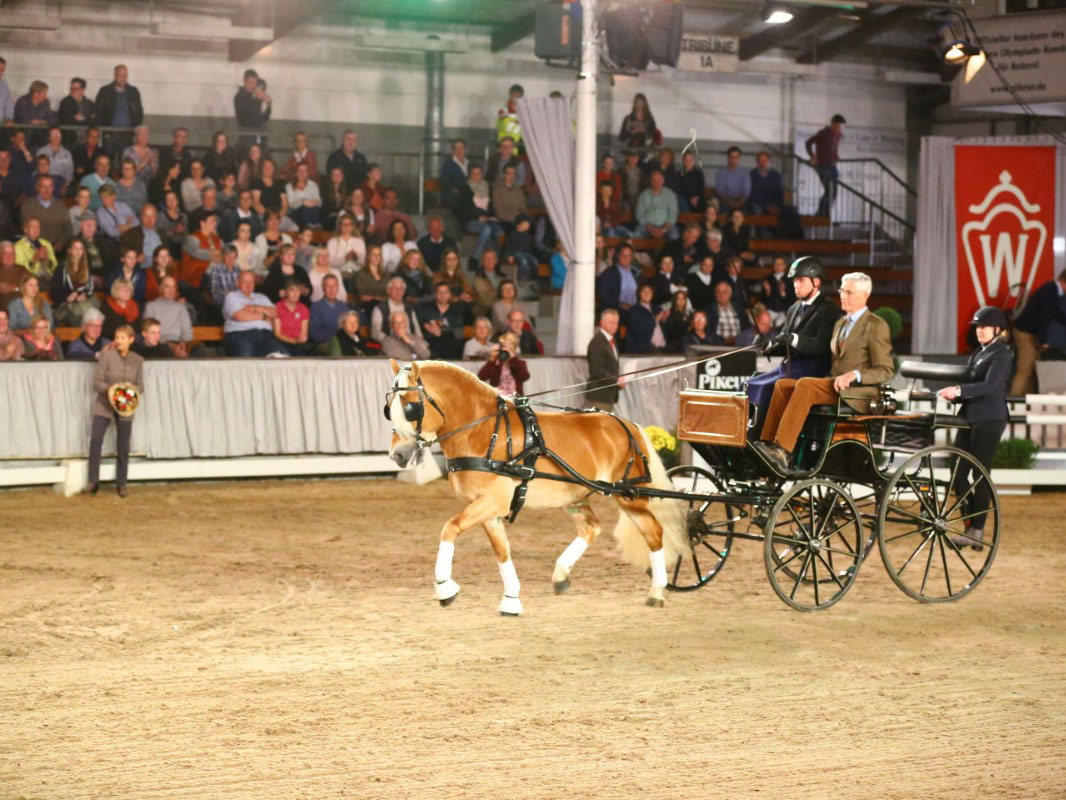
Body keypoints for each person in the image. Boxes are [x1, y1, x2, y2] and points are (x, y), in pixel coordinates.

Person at [755, 272, 894, 472]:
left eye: (849, 292)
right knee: (783, 385)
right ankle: (767, 444)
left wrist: (855, 375)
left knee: (805, 385)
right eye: (841, 291)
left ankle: (783, 449)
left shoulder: (875, 326)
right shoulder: (841, 323)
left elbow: (886, 370)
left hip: (857, 392)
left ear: (864, 295)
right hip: (834, 385)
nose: (843, 296)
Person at [938, 306, 1013, 552]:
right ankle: (970, 523)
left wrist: (959, 391)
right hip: (970, 417)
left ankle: (977, 529)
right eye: (977, 327)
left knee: (980, 473)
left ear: (997, 329)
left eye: (983, 326)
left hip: (990, 418)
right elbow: (971, 382)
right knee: (958, 473)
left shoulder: (1001, 354)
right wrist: (953, 395)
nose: (979, 330)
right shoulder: (978, 354)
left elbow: (990, 385)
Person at [747, 256, 844, 420]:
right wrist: (768, 344)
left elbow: (821, 346)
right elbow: (783, 340)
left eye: (801, 280)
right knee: (749, 384)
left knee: (763, 387)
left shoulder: (828, 310)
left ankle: (760, 435)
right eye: (794, 281)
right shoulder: (793, 309)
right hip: (788, 368)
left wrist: (794, 339)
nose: (796, 285)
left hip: (812, 371)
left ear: (816, 281)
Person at [85, 324, 142, 497]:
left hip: (126, 407)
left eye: (122, 338)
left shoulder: (138, 360)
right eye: (117, 338)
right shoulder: (106, 357)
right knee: (96, 440)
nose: (118, 341)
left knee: (123, 445)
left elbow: (140, 385)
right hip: (105, 403)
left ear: (131, 340)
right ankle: (93, 481)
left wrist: (130, 391)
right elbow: (97, 382)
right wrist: (113, 391)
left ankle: (121, 483)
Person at [1009, 269, 1066, 396]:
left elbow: (1055, 313)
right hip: (1025, 333)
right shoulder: (1051, 292)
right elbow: (1044, 319)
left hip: (1029, 333)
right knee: (1024, 369)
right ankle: (1013, 402)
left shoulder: (1052, 290)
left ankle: (1026, 402)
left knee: (1032, 369)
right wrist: (1043, 341)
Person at [222, 270, 284, 357]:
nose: (249, 285)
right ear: (237, 282)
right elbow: (240, 316)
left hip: (265, 336)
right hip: (241, 336)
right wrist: (263, 316)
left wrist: (253, 308)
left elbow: (274, 313)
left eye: (251, 282)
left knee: (282, 356)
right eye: (245, 282)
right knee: (247, 361)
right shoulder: (231, 296)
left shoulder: (262, 297)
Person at [457, 164, 503, 264]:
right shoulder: (465, 189)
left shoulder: (487, 188)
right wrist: (478, 217)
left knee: (499, 231)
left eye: (479, 174)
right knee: (486, 229)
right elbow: (463, 209)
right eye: (474, 174)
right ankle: (475, 258)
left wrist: (493, 217)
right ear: (470, 175)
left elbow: (491, 207)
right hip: (471, 220)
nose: (476, 176)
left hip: (487, 219)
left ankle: (496, 261)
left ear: (482, 175)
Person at [94, 65, 144, 156]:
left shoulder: (133, 92)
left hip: (127, 134)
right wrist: (104, 130)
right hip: (109, 133)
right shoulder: (105, 91)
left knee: (126, 162)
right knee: (107, 160)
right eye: (120, 75)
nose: (123, 78)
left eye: (125, 75)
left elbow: (139, 112)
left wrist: (135, 130)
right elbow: (98, 112)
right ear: (115, 75)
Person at [806, 114, 846, 218]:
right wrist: (812, 156)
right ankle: (821, 213)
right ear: (833, 124)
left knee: (834, 192)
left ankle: (825, 213)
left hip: (832, 165)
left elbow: (834, 146)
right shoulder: (823, 133)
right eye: (838, 127)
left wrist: (836, 155)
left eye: (841, 127)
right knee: (829, 190)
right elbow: (808, 142)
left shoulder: (839, 134)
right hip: (823, 165)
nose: (840, 129)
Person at [144, 274, 194, 356]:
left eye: (173, 287)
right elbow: (150, 333)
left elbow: (187, 331)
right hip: (160, 343)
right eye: (167, 287)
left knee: (199, 350)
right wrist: (171, 346)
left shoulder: (180, 307)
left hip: (179, 343)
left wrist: (183, 344)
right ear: (160, 289)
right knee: (165, 350)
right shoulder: (151, 306)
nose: (171, 290)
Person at [586, 308, 624, 412]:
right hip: (598, 397)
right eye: (611, 322)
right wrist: (615, 380)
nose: (614, 326)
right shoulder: (597, 342)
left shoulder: (611, 341)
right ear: (602, 322)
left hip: (608, 396)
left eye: (616, 323)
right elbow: (596, 370)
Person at [51, 239, 95, 326]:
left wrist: (85, 295)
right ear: (69, 250)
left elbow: (90, 289)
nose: (78, 251)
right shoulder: (62, 268)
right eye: (75, 248)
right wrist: (67, 297)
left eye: (81, 249)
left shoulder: (86, 267)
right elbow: (54, 292)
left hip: (83, 304)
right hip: (66, 306)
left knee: (94, 319)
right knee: (82, 323)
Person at [416, 282, 466, 359]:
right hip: (430, 343)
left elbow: (459, 333)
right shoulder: (425, 308)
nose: (443, 295)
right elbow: (417, 324)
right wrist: (426, 325)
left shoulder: (456, 309)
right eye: (440, 292)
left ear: (450, 294)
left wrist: (441, 331)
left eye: (446, 292)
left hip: (450, 345)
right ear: (435, 294)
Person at [22, 175, 69, 251]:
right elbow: (24, 229)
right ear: (37, 187)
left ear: (53, 188)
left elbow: (68, 229)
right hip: (33, 248)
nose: (47, 190)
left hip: (56, 249)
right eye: (43, 186)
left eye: (50, 186)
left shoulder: (61, 207)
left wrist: (61, 242)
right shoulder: (27, 206)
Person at [371, 275, 422, 344]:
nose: (398, 291)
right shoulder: (380, 308)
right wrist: (388, 341)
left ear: (404, 291)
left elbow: (417, 330)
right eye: (395, 288)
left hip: (411, 342)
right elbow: (375, 332)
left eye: (401, 288)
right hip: (391, 343)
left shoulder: (409, 308)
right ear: (388, 290)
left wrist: (419, 342)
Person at [180, 211, 223, 289]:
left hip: (213, 273)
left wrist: (220, 255)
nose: (215, 223)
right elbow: (200, 254)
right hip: (196, 277)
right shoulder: (192, 239)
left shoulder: (216, 238)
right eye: (212, 221)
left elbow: (224, 253)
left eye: (215, 221)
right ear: (202, 224)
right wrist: (217, 254)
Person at [478, 331, 529, 397]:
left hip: (515, 400)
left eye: (510, 349)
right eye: (504, 348)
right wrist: (491, 360)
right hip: (498, 400)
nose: (507, 352)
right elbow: (481, 377)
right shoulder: (496, 364)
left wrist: (513, 359)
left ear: (515, 349)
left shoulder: (519, 363)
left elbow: (525, 376)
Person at [596, 243, 640, 315]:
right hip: (616, 311)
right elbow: (603, 296)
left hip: (635, 310)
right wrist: (620, 304)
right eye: (623, 255)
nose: (626, 258)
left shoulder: (636, 273)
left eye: (628, 255)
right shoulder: (609, 274)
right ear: (618, 255)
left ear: (631, 257)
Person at [635, 169, 679, 240]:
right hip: (647, 226)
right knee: (636, 235)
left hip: (666, 226)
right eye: (653, 180)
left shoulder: (670, 194)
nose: (656, 182)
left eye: (658, 180)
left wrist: (663, 230)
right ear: (650, 181)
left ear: (663, 180)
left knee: (674, 236)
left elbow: (673, 214)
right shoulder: (643, 195)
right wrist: (651, 229)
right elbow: (639, 214)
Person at [626, 283, 668, 354]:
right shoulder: (634, 310)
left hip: (663, 347)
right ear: (639, 294)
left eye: (649, 292)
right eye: (644, 291)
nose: (647, 294)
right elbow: (638, 329)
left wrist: (665, 319)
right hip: (646, 349)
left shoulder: (657, 309)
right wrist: (656, 319)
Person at [309, 274, 349, 350]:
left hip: (344, 343)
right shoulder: (316, 307)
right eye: (328, 286)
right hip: (325, 344)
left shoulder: (343, 306)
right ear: (323, 288)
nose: (331, 289)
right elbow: (314, 333)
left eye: (334, 286)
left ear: (338, 288)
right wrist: (335, 338)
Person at [704, 281, 749, 346]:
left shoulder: (739, 309)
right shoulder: (709, 310)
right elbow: (707, 332)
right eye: (718, 292)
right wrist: (723, 340)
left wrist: (739, 339)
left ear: (730, 293)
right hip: (718, 346)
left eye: (725, 292)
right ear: (715, 294)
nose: (721, 295)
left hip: (738, 345)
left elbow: (747, 328)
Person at [14, 80, 56, 147]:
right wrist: (32, 122)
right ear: (36, 93)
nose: (46, 96)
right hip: (25, 136)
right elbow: (22, 119)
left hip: (40, 137)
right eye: (44, 93)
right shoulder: (22, 101)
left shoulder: (46, 102)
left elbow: (52, 119)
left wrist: (42, 122)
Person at [273, 279, 310, 355]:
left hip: (298, 344)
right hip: (281, 343)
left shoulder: (304, 309)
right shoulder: (277, 307)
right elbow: (277, 334)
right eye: (292, 290)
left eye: (298, 290)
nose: (295, 294)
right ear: (286, 292)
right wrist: (294, 341)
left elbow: (304, 333)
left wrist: (301, 339)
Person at [234, 69, 271, 143]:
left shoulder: (256, 96)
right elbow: (247, 120)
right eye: (250, 83)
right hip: (245, 137)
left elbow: (265, 118)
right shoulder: (239, 97)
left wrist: (268, 103)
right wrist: (256, 98)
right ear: (244, 81)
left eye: (255, 83)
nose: (253, 86)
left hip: (259, 135)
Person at [58, 78, 95, 146]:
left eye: (76, 88)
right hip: (70, 139)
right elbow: (64, 118)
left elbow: (94, 119)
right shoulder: (65, 102)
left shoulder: (90, 104)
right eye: (72, 88)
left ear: (83, 90)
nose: (73, 91)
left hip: (86, 140)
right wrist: (77, 118)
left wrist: (83, 119)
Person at [285, 161, 321, 228]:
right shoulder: (289, 186)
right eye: (300, 171)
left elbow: (319, 202)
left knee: (310, 209)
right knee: (305, 208)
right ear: (296, 173)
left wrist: (312, 203)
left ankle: (311, 227)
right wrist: (302, 202)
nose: (302, 173)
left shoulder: (312, 185)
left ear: (308, 173)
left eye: (305, 171)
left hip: (312, 212)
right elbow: (290, 204)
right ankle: (313, 227)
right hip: (295, 213)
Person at [714, 146, 750, 213]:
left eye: (736, 157)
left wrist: (739, 203)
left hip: (741, 202)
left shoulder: (745, 173)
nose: (734, 159)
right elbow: (720, 192)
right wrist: (730, 202)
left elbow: (746, 192)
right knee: (723, 211)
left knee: (746, 212)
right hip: (725, 202)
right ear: (728, 158)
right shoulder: (721, 173)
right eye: (732, 157)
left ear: (739, 158)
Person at [491, 164, 527, 230]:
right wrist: (515, 221)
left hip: (520, 220)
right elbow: (499, 212)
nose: (512, 176)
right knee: (519, 229)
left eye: (513, 173)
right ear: (503, 175)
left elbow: (523, 209)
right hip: (506, 221)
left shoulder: (518, 190)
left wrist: (523, 221)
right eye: (509, 173)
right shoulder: (498, 190)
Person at [748, 150, 784, 216]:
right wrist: (766, 206)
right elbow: (752, 194)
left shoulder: (775, 175)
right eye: (761, 161)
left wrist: (776, 206)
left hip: (773, 204)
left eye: (765, 161)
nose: (763, 163)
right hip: (758, 204)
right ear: (757, 162)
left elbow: (779, 193)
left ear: (769, 162)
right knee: (757, 209)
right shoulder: (752, 175)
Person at [440, 138, 469, 210]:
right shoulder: (448, 165)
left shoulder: (470, 164)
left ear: (465, 150)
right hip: (454, 199)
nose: (459, 150)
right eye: (456, 148)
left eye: (461, 148)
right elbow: (448, 185)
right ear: (453, 151)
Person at [496, 84, 524, 150]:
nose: (516, 98)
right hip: (505, 146)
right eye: (515, 95)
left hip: (520, 146)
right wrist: (517, 122)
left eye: (519, 96)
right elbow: (503, 126)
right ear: (510, 95)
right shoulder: (503, 110)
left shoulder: (524, 112)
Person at [320, 167, 348, 231]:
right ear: (331, 177)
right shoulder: (325, 189)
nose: (337, 177)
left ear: (342, 176)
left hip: (341, 215)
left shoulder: (347, 189)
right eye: (334, 175)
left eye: (339, 175)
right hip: (328, 217)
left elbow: (346, 205)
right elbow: (325, 206)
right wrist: (336, 213)